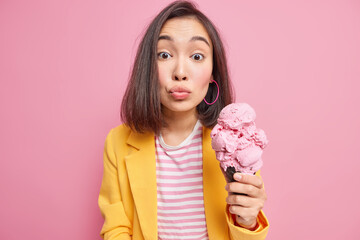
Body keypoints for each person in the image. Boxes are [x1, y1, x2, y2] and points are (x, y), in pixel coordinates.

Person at [98, 1, 269, 239]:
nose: (180, 71)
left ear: (213, 74)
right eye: (165, 54)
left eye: (197, 56)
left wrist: (248, 220)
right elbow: (116, 229)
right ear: (148, 66)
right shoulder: (118, 142)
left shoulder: (234, 141)